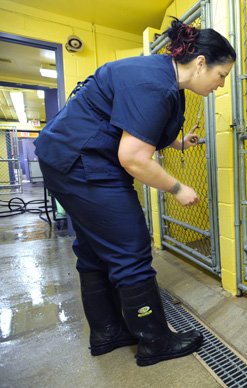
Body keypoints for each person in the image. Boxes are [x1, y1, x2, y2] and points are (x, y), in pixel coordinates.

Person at [34, 19, 236, 367]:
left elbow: (129, 120)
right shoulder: (155, 84)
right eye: (221, 75)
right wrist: (177, 188)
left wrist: (175, 141)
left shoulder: (158, 73)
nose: (221, 84)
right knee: (131, 248)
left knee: (95, 248)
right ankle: (155, 342)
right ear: (201, 63)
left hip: (67, 158)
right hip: (85, 164)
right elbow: (132, 157)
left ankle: (108, 332)